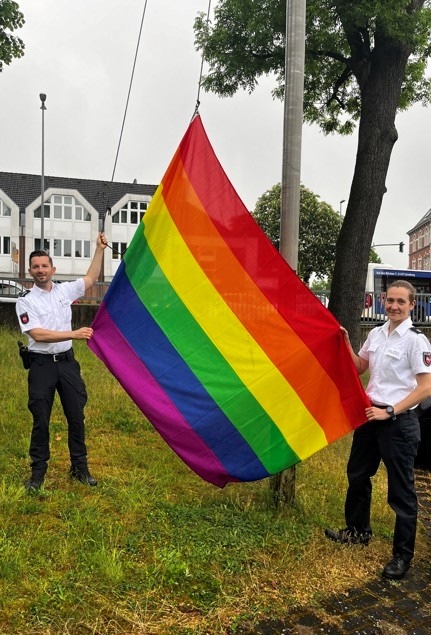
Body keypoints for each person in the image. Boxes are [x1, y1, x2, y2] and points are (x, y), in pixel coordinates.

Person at [325, 280, 431, 580]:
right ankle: (357, 532)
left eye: (401, 301)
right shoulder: (376, 333)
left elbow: (426, 388)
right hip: (370, 416)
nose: (394, 306)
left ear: (412, 305)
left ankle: (402, 556)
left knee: (401, 492)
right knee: (358, 475)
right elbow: (360, 367)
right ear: (384, 301)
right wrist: (345, 342)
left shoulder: (416, 341)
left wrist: (390, 411)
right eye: (390, 300)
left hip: (398, 422)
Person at [16, 232, 108, 491]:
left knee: (76, 416)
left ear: (53, 268)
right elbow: (37, 335)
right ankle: (38, 473)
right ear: (30, 271)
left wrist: (99, 249)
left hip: (67, 364)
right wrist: (74, 333)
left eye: (45, 265)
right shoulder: (26, 301)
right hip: (41, 366)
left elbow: (90, 278)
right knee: (41, 420)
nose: (40, 270)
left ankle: (80, 468)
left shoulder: (65, 290)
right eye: (36, 267)